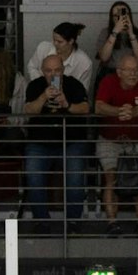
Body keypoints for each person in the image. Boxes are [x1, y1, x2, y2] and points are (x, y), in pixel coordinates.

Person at [21, 53, 90, 220]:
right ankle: (42, 221)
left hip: (71, 142)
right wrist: (44, 96)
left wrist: (67, 105)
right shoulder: (35, 86)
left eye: (57, 70)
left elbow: (86, 108)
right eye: (48, 71)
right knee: (33, 175)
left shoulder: (74, 85)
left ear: (63, 70)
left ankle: (73, 222)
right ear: (42, 71)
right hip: (40, 143)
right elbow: (28, 111)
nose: (53, 74)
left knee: (75, 180)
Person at [93, 54, 138, 232]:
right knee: (111, 177)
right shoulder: (108, 81)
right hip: (110, 140)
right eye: (129, 70)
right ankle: (112, 222)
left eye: (136, 70)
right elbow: (99, 107)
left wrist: (135, 112)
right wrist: (119, 111)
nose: (134, 74)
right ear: (119, 71)